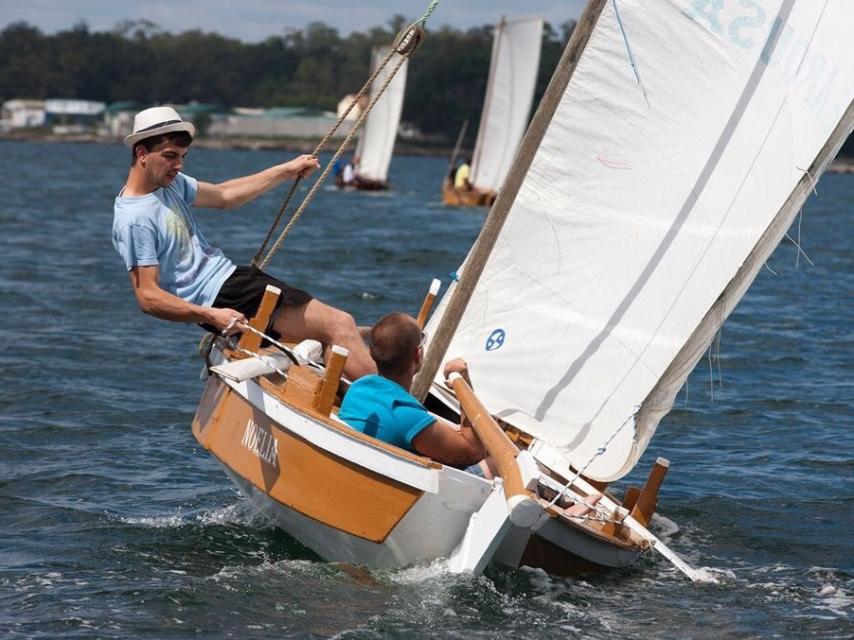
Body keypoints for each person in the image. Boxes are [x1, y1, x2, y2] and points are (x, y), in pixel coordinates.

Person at [112, 106, 376, 380]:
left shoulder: (170, 184)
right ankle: (395, 414)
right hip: (223, 297)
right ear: (141, 153)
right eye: (170, 157)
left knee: (336, 334)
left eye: (182, 157)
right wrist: (211, 315)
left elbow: (225, 195)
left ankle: (370, 402)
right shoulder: (134, 218)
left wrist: (285, 171)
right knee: (340, 325)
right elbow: (148, 297)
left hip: (237, 280)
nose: (178, 165)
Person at [338, 312, 492, 475]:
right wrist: (464, 382)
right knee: (496, 464)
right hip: (405, 490)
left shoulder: (357, 388)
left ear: (372, 353)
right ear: (417, 355)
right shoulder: (405, 415)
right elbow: (474, 452)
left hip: (364, 472)